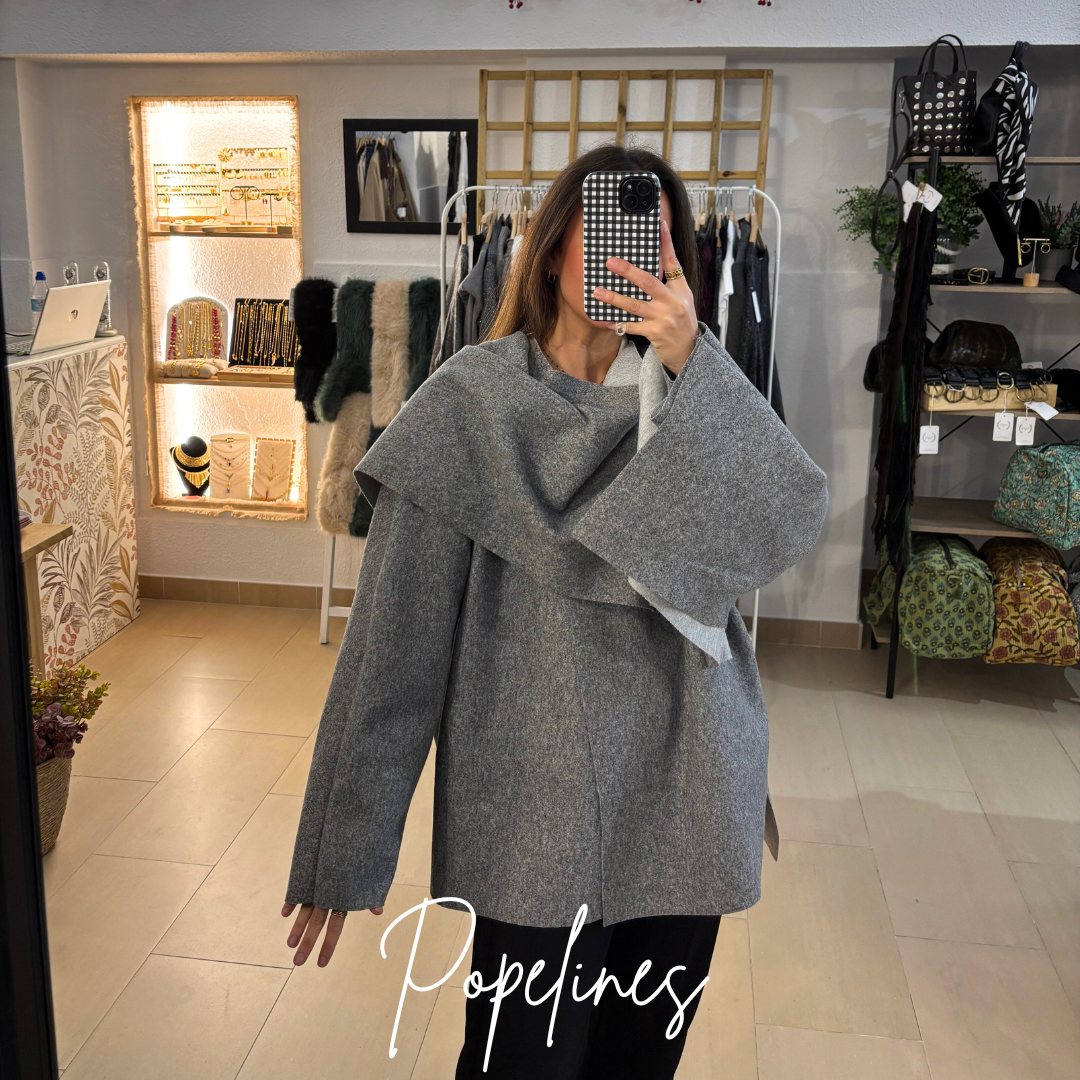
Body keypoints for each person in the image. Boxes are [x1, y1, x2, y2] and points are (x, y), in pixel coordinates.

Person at [281, 143, 828, 1079]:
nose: (629, 256)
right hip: (532, 810)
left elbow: (790, 515)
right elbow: (394, 649)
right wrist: (346, 843)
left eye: (657, 239)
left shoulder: (697, 398)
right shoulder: (469, 404)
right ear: (547, 248)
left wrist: (693, 357)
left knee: (636, 1064)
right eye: (605, 229)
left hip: (687, 784)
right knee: (518, 1065)